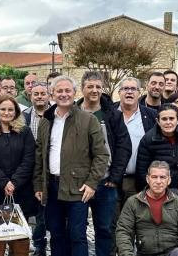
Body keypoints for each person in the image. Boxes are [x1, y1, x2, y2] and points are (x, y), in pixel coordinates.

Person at [33, 75, 110, 256]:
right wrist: (38, 184)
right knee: (56, 234)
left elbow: (102, 154)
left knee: (77, 235)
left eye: (68, 90)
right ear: (52, 94)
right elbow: (39, 155)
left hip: (78, 187)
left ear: (74, 93)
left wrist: (92, 183)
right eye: (59, 91)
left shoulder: (87, 119)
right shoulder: (46, 121)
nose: (64, 94)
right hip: (52, 186)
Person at [75, 71, 132, 256]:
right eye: (90, 86)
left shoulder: (112, 115)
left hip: (105, 182)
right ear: (82, 88)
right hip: (78, 183)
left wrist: (115, 177)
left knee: (106, 230)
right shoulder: (73, 113)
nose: (94, 90)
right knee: (77, 231)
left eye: (98, 87)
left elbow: (124, 146)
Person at [0, 95, 37, 256]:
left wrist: (14, 182)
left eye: (10, 109)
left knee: (19, 234)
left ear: (16, 112)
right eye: (3, 109)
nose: (7, 112)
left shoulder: (24, 131)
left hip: (20, 191)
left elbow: (29, 159)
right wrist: (4, 182)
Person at [115, 161, 178, 256]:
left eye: (162, 177)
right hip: (144, 253)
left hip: (172, 253)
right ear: (147, 179)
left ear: (169, 180)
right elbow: (123, 232)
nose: (158, 181)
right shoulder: (133, 202)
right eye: (154, 177)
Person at [114, 77, 158, 214]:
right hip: (111, 180)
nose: (129, 92)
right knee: (110, 224)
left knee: (133, 222)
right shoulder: (109, 113)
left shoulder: (151, 116)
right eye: (125, 89)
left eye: (133, 89)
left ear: (139, 93)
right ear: (119, 92)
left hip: (136, 181)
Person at [135, 104, 178, 199]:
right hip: (160, 194)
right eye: (164, 119)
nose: (168, 122)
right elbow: (142, 172)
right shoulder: (148, 140)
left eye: (171, 118)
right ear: (158, 121)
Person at [22, 82, 51, 256]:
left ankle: (42, 245)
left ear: (49, 95)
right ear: (30, 96)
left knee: (44, 211)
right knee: (27, 210)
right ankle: (25, 244)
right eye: (36, 94)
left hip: (46, 171)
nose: (39, 96)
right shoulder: (23, 117)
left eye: (43, 93)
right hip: (27, 169)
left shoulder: (54, 115)